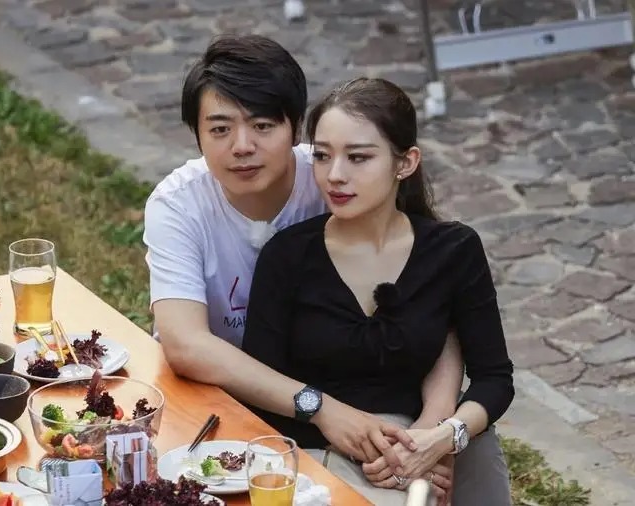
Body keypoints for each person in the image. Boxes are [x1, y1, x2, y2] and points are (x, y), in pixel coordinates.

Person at [142, 34, 505, 504]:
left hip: (385, 411)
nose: (242, 146)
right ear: (196, 134)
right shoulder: (182, 206)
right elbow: (187, 346)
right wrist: (325, 412)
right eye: (220, 129)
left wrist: (436, 430)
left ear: (295, 129)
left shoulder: (335, 183)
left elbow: (438, 299)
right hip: (250, 401)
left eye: (263, 125)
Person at [241, 77, 515, 506]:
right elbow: (260, 390)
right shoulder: (287, 255)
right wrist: (366, 445)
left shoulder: (453, 249)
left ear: (405, 163)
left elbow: (494, 378)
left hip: (437, 438)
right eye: (322, 155)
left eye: (358, 157)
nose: (335, 175)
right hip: (321, 449)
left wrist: (442, 438)